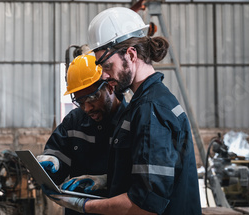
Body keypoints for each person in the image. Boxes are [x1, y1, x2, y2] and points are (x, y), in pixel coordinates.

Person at [46, 7, 201, 214]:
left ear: (130, 54)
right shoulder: (144, 105)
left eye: (108, 66)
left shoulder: (150, 109)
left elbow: (145, 205)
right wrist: (104, 180)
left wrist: (84, 205)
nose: (106, 76)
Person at [37, 54, 126, 215]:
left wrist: (105, 181)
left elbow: (140, 181)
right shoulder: (74, 120)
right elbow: (58, 151)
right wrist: (52, 161)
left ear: (110, 87)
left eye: (92, 98)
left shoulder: (130, 121)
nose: (87, 108)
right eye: (80, 101)